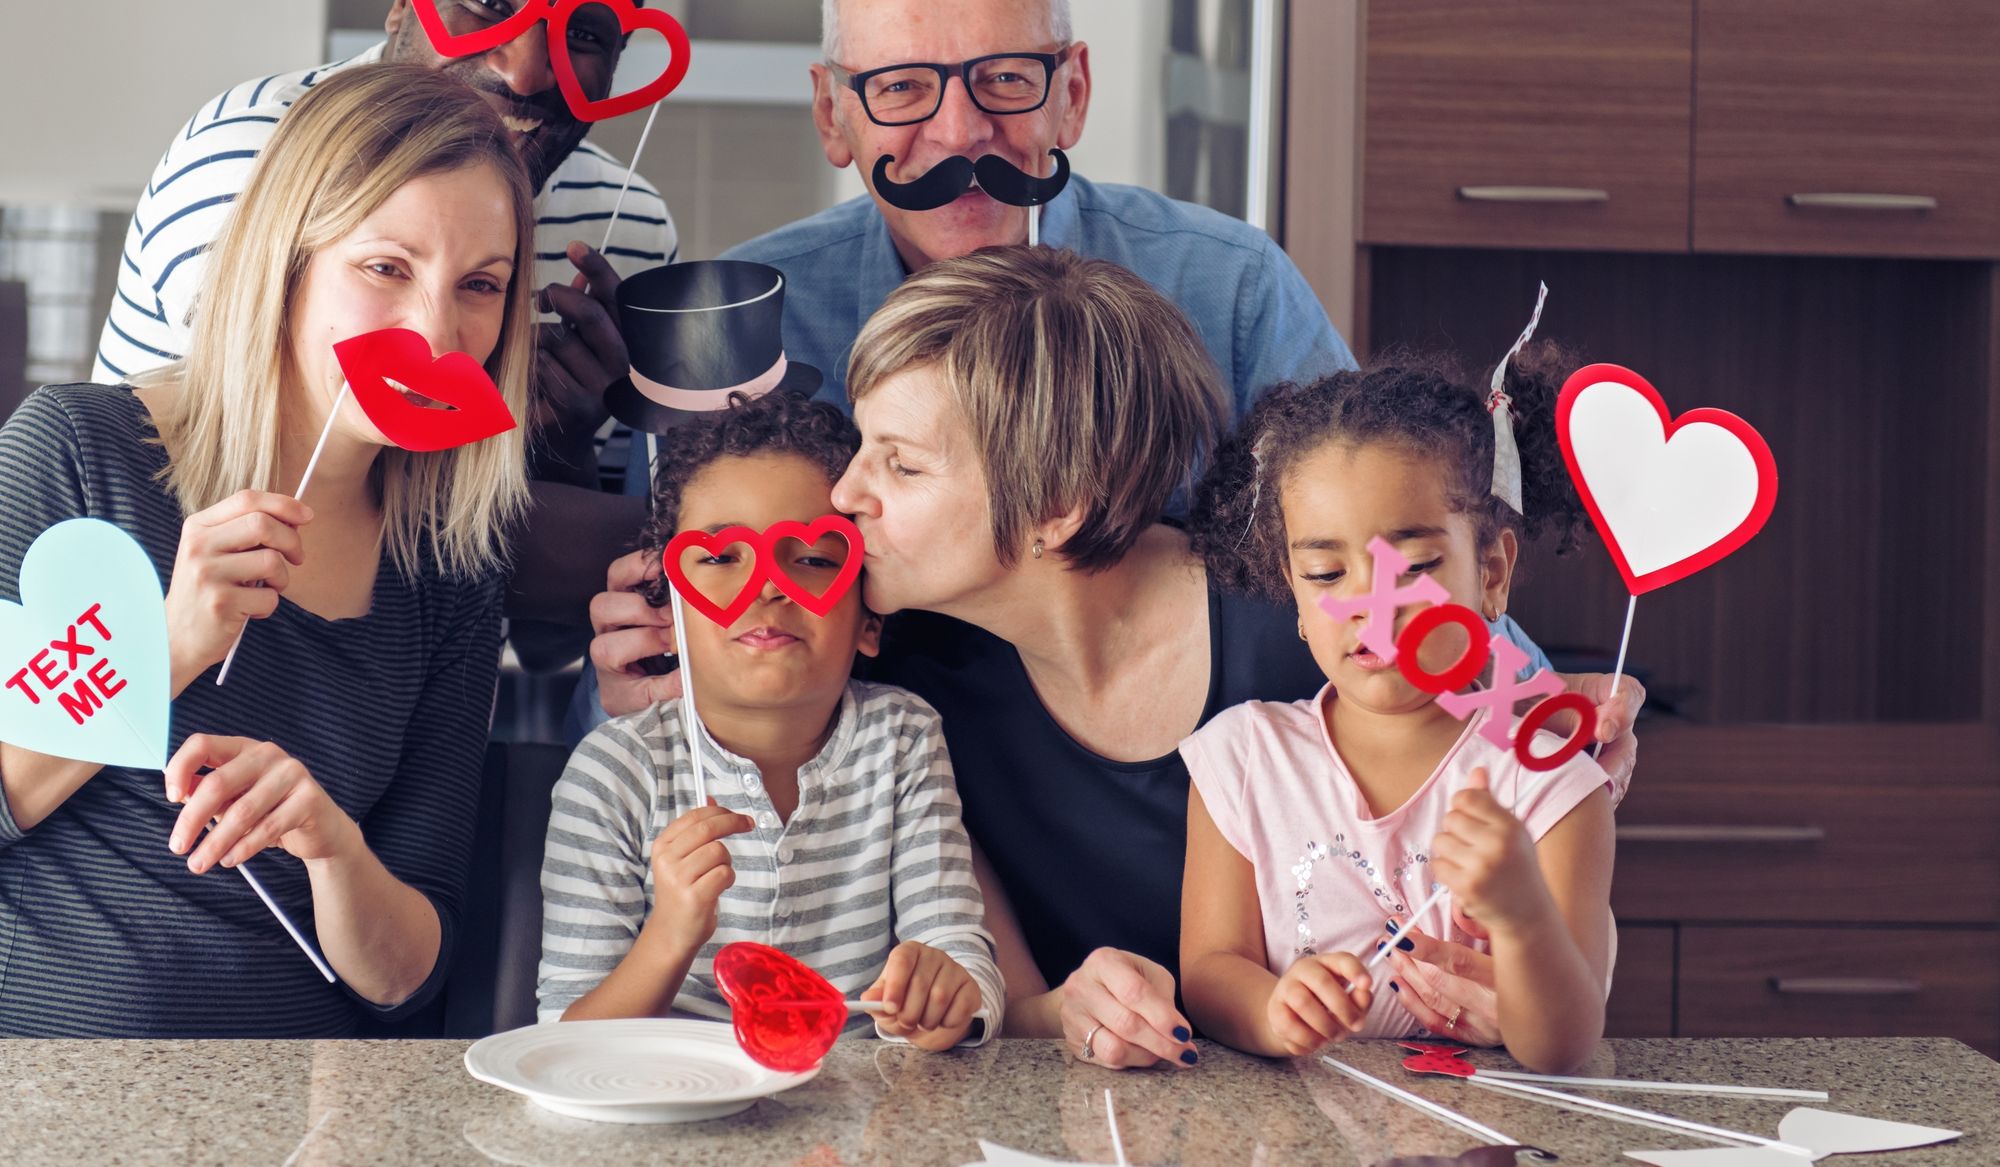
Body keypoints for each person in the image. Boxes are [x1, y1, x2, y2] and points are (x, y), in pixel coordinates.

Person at [584, 246, 1643, 1068]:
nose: (848, 496)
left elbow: (1526, 728)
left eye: (897, 464)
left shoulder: (1305, 617)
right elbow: (1006, 993)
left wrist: (1574, 717)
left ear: (1056, 507)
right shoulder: (904, 678)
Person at [0, 65, 533, 1036]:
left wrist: (334, 848)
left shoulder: (453, 564)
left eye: (480, 286)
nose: (434, 332)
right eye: (385, 268)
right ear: (285, 263)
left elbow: (404, 981)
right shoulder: (76, 452)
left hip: (304, 1108)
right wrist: (164, 650)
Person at [1177, 349, 1615, 1073]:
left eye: (1413, 569)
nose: (1370, 610)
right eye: (1326, 573)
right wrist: (1273, 1008)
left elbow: (1564, 1046)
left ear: (1492, 575)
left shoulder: (1550, 782)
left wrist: (1522, 912)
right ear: (1291, 588)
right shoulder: (1244, 757)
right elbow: (1212, 969)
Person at [538, 391, 1002, 1050]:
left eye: (812, 557)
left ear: (870, 619)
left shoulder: (903, 740)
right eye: (722, 558)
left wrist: (947, 994)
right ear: (670, 612)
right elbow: (562, 1043)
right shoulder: (613, 773)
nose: (766, 587)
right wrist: (671, 934)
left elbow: (969, 966)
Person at [95, 0, 676, 492]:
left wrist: (567, 445)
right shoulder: (257, 152)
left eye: (582, 33)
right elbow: (322, 486)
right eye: (491, 5)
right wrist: (525, 446)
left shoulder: (634, 228)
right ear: (400, 5)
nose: (525, 73)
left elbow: (590, 560)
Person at [719, 0, 1353, 416]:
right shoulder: (736, 321)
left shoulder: (1236, 288)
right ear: (833, 115)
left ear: (1071, 96)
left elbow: (1371, 559)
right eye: (902, 87)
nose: (960, 133)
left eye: (1005, 79)